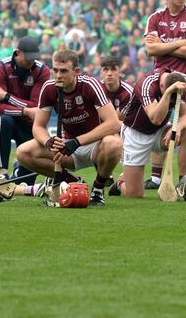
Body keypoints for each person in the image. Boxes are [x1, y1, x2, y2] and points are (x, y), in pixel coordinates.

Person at [16, 49, 122, 207]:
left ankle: (98, 191)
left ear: (76, 72)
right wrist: (48, 141)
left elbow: (114, 123)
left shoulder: (89, 85)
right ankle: (74, 183)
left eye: (64, 71)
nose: (58, 75)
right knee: (23, 152)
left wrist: (77, 142)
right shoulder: (49, 88)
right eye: (55, 70)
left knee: (114, 144)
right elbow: (38, 127)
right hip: (68, 148)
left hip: (96, 146)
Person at [143, 0, 186, 189]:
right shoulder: (155, 18)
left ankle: (184, 180)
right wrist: (181, 43)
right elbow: (151, 49)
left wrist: (164, 43)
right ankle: (157, 178)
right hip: (158, 80)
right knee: (159, 124)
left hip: (185, 81)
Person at [117, 69, 186, 198]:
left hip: (160, 131)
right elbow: (155, 118)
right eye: (170, 94)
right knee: (135, 194)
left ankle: (184, 185)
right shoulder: (146, 83)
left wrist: (176, 128)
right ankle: (121, 182)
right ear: (161, 86)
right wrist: (168, 93)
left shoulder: (182, 81)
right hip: (135, 134)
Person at [0, 36, 49, 178]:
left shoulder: (42, 71)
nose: (31, 61)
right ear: (18, 53)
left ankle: (18, 169)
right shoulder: (2, 67)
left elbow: (36, 105)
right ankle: (3, 173)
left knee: (25, 182)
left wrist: (7, 97)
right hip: (11, 119)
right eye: (28, 58)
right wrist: (25, 111)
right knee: (4, 120)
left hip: (31, 125)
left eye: (34, 58)